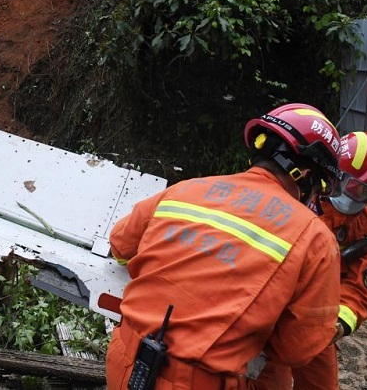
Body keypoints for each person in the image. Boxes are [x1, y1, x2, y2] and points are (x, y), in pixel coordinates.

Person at [105, 103, 343, 389]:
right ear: (304, 176)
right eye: (319, 189)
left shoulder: (186, 188)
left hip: (124, 361)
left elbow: (120, 245)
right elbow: (296, 349)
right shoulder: (315, 237)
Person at [254, 131, 367, 390]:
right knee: (266, 382)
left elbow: (363, 288)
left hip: (318, 319)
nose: (359, 198)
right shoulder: (298, 194)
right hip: (269, 311)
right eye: (355, 187)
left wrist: (337, 325)